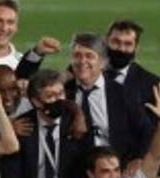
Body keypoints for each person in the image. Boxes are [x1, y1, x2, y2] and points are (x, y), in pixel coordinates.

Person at [65, 33, 152, 166]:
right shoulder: (63, 92)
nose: (82, 61)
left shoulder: (122, 94)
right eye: (77, 55)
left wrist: (138, 159)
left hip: (114, 173)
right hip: (72, 175)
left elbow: (146, 130)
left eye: (89, 56)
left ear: (103, 62)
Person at [105, 19, 160, 178]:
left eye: (128, 44)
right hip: (90, 170)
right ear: (106, 41)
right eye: (116, 42)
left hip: (132, 172)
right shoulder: (87, 73)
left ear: (136, 48)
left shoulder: (150, 83)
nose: (121, 49)